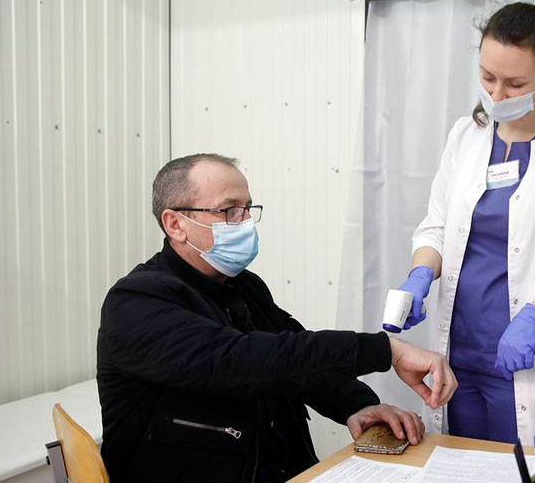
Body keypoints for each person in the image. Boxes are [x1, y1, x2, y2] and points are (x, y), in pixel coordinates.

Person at [97, 153, 457, 482]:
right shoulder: (135, 302)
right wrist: (385, 350)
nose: (245, 223)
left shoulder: (244, 286)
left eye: (247, 209)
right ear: (175, 224)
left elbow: (295, 357)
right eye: (229, 211)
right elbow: (242, 361)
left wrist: (358, 404)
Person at [391, 3, 535, 450]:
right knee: (460, 467)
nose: (496, 95)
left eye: (514, 84)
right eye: (487, 77)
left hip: (530, 363)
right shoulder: (465, 137)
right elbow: (436, 229)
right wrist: (420, 274)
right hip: (457, 361)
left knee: (527, 471)